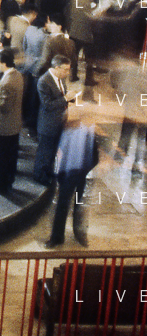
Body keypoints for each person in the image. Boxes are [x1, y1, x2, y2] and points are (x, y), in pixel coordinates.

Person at [45, 103, 100, 248]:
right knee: (63, 206)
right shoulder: (65, 131)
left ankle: (79, 234)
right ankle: (57, 237)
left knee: (79, 206)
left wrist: (84, 170)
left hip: (80, 174)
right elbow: (57, 150)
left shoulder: (88, 133)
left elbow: (95, 158)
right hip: (67, 174)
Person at [0, 49, 24, 196]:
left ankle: (0, 185)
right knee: (10, 157)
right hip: (14, 124)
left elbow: (3, 105)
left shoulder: (7, 81)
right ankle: (8, 182)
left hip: (3, 126)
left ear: (4, 63)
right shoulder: (17, 75)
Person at [34, 56, 72, 186]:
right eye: (65, 69)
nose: (68, 73)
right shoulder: (44, 81)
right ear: (57, 67)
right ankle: (40, 176)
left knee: (53, 151)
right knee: (44, 152)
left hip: (59, 122)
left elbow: (61, 95)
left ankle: (48, 172)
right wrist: (66, 98)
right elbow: (47, 105)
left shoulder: (61, 78)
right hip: (48, 124)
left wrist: (69, 98)